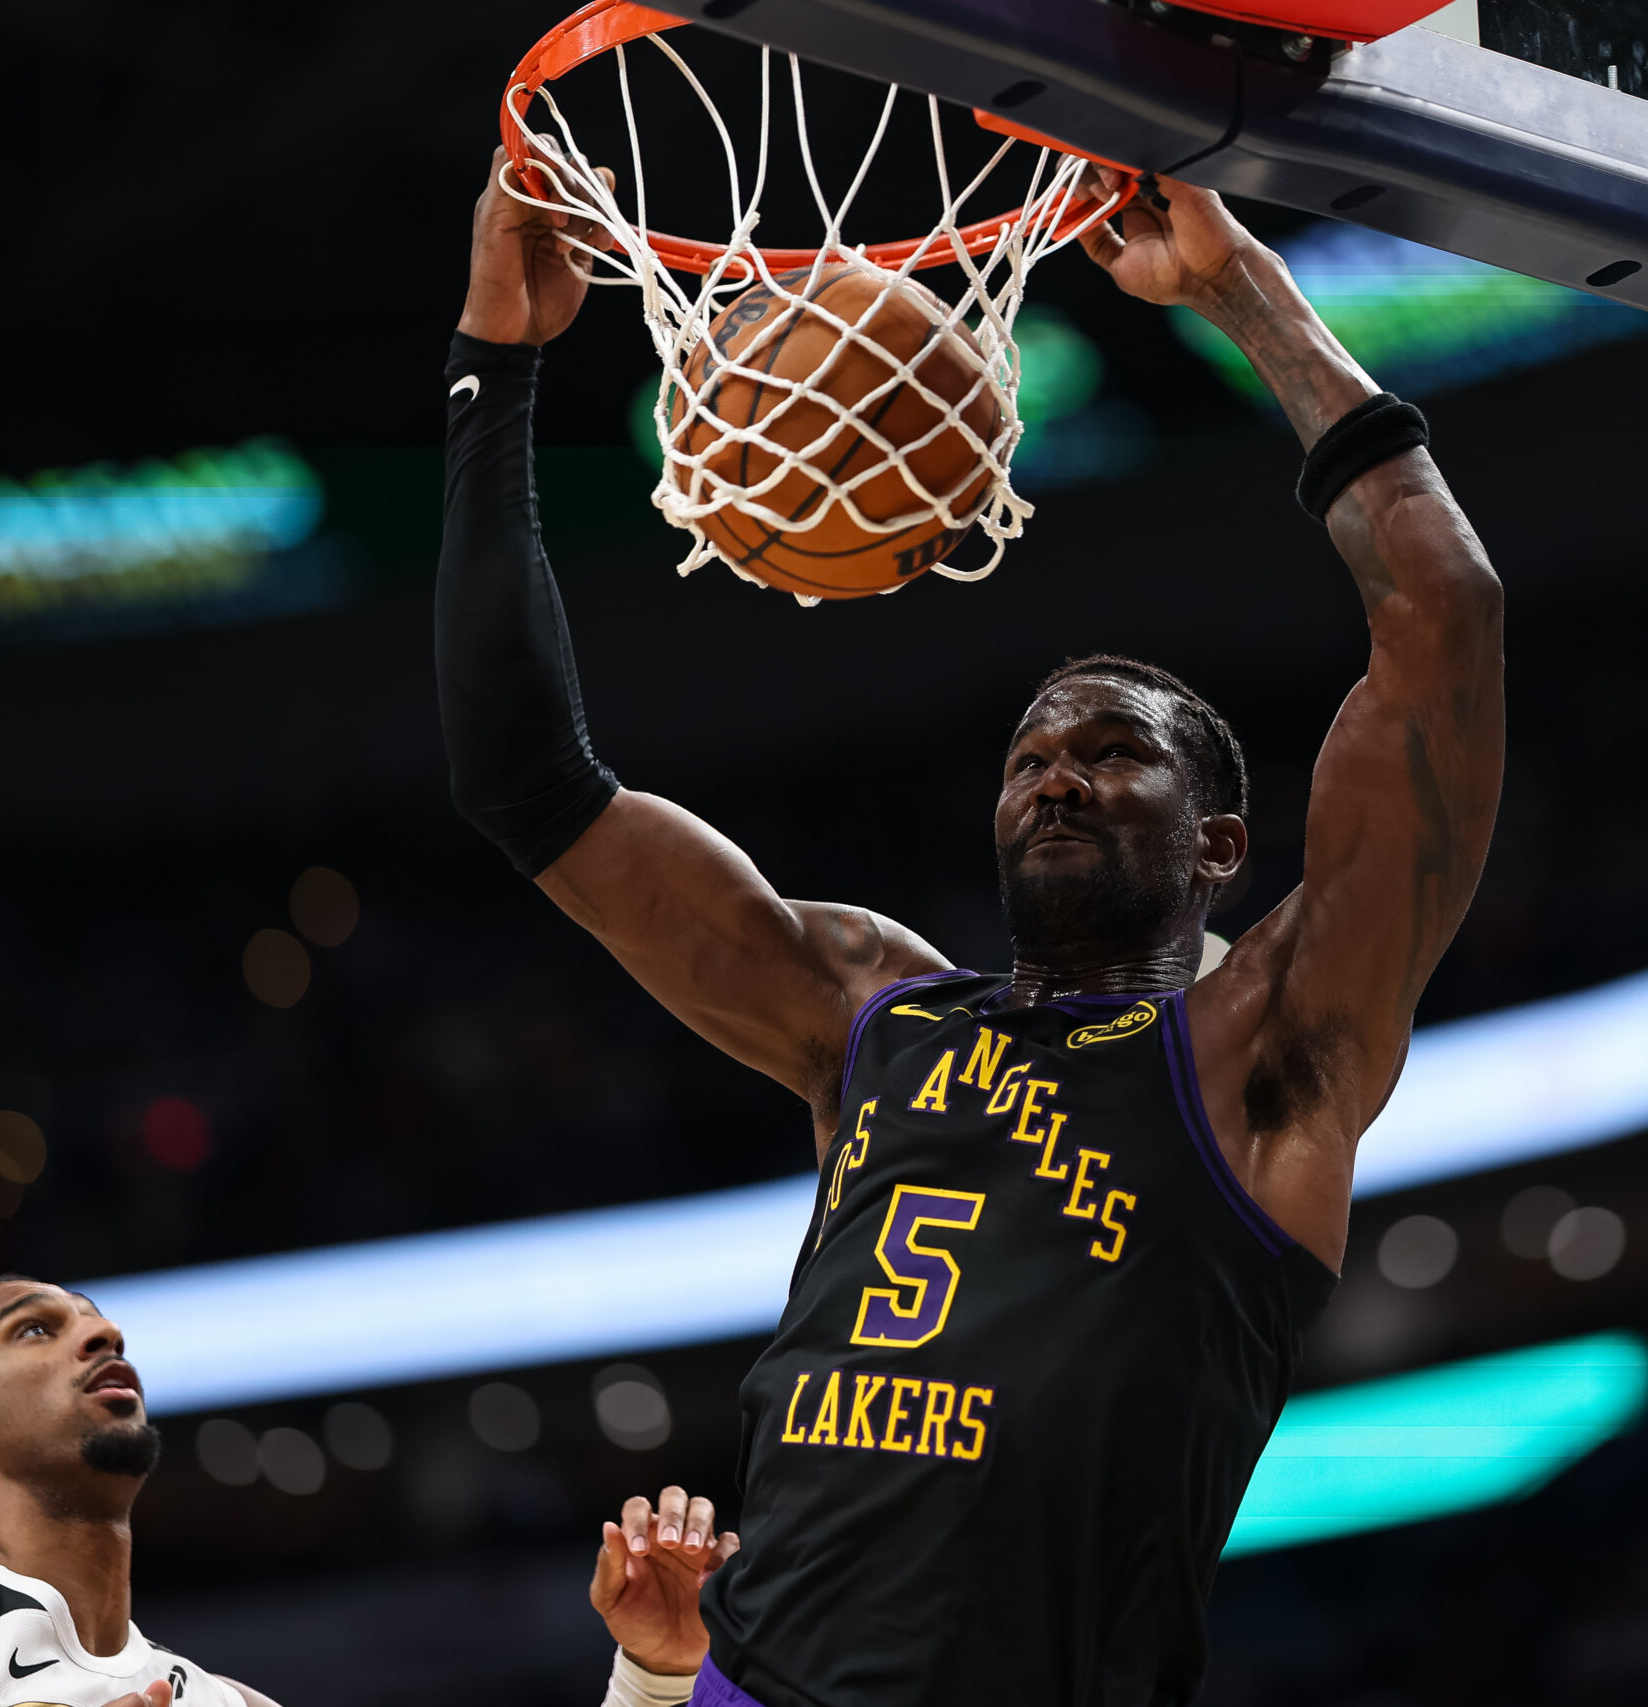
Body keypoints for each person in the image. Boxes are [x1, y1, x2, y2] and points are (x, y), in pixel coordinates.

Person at [439, 147, 1503, 1707]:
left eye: (1112, 751)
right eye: (1029, 757)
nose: (1058, 770)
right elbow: (527, 784)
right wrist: (496, 362)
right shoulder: (868, 1008)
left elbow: (1444, 615)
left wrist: (1239, 291)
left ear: (1220, 844)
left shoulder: (1269, 1046)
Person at [0, 1275, 736, 1707]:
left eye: (102, 1324)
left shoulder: (230, 1704)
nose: (102, 1338)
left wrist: (654, 1672)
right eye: (35, 1329)